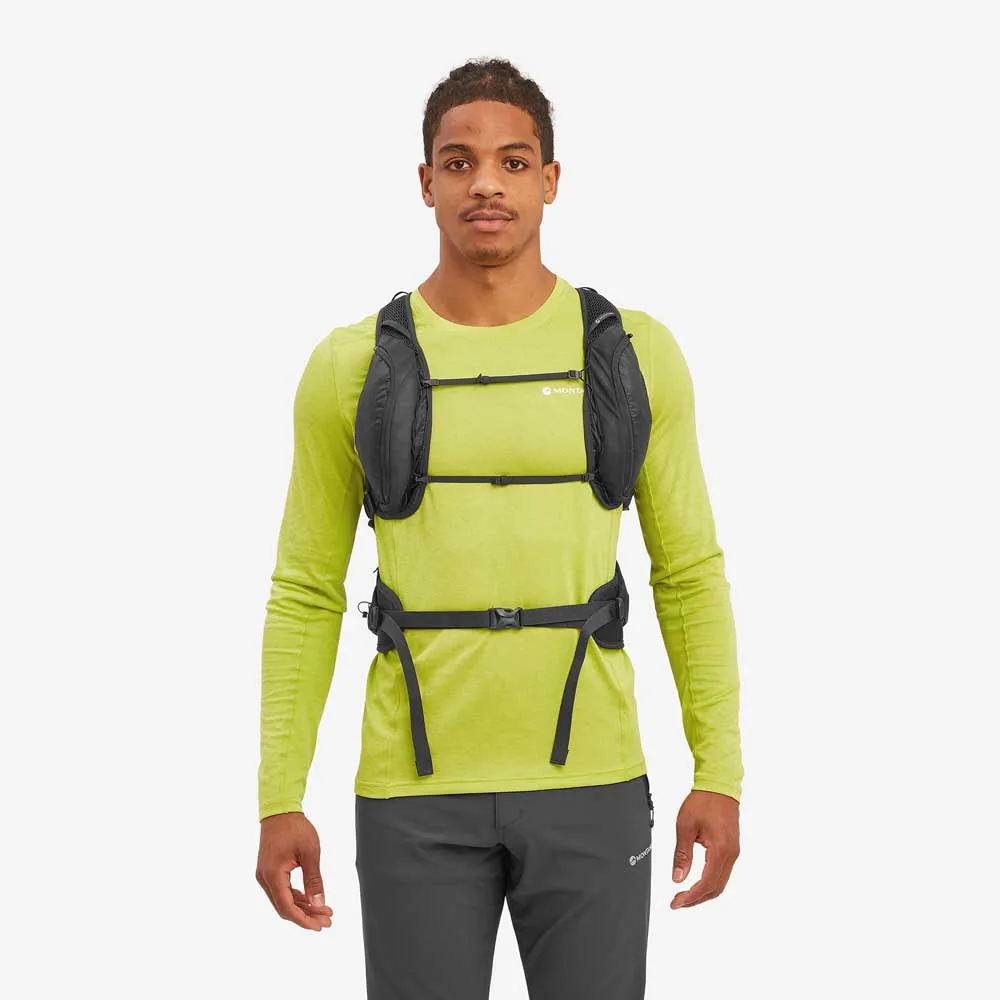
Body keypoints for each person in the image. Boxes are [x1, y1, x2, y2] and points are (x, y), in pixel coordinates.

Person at [255, 56, 743, 999]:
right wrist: (281, 796)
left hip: (595, 785)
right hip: (411, 796)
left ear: (550, 180)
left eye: (514, 162)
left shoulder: (634, 354)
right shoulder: (350, 367)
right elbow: (305, 590)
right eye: (460, 161)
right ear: (426, 181)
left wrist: (718, 772)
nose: (487, 183)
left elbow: (689, 573)